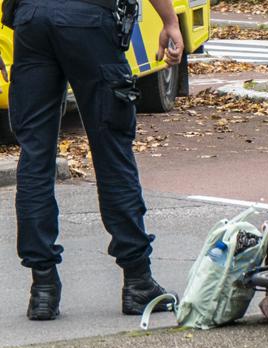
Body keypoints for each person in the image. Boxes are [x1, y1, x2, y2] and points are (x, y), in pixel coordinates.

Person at [4, 0, 183, 320]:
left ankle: (42, 289)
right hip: (89, 19)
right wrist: (169, 21)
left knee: (35, 156)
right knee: (112, 152)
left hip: (31, 21)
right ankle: (137, 280)